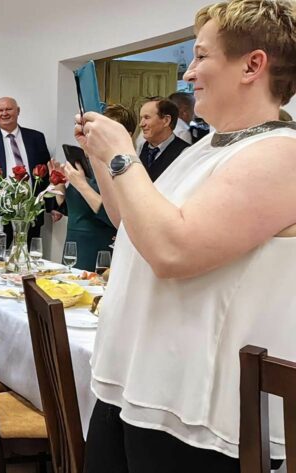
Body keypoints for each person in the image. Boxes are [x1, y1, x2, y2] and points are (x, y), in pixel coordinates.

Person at [77, 1, 296, 470]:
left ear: (252, 65)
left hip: (191, 411)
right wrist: (101, 157)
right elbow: (134, 226)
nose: (188, 73)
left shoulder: (282, 154)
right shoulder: (208, 147)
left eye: (200, 56)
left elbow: (172, 251)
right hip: (136, 378)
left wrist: (123, 155)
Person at [52, 105, 133, 271]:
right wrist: (58, 182)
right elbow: (70, 208)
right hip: (74, 245)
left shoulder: (122, 167)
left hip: (98, 249)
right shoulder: (87, 161)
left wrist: (81, 184)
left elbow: (113, 217)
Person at [0, 97, 54, 240]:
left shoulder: (36, 138)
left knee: (29, 251)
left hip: (30, 210)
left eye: (8, 109)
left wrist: (53, 206)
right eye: (0, 110)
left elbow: (45, 173)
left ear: (18, 111)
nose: (4, 113)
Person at [137, 97, 191, 182]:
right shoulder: (142, 147)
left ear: (166, 120)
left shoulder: (185, 153)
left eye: (147, 117)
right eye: (141, 118)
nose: (141, 124)